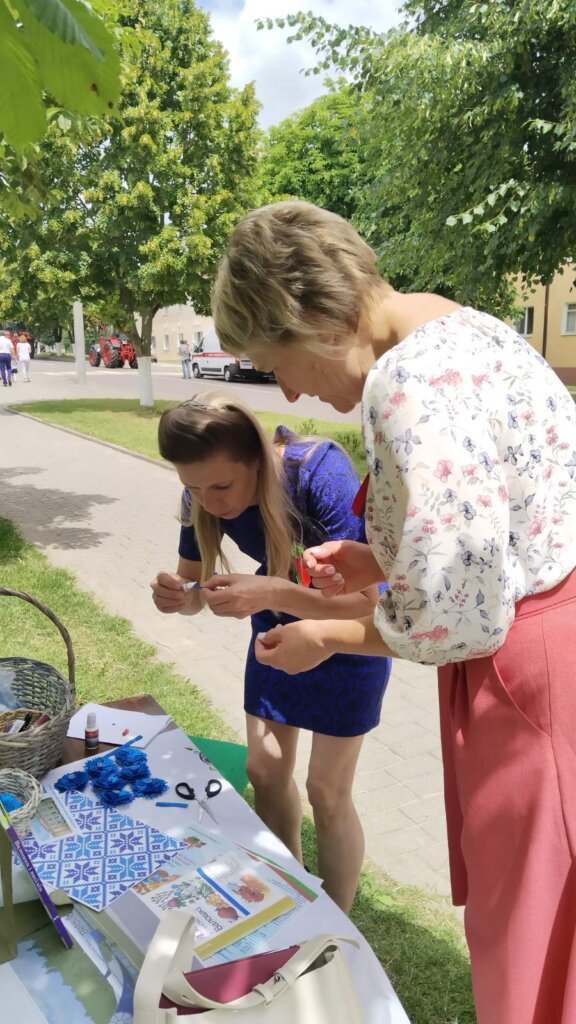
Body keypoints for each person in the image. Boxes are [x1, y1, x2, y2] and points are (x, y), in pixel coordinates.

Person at [211, 200, 576, 1024]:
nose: (290, 389)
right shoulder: (468, 329)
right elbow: (503, 515)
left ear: (313, 317)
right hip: (551, 648)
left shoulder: (404, 385)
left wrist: (326, 634)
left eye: (278, 363)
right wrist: (382, 559)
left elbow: (459, 617)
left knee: (532, 935)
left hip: (531, 683)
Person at [150, 394, 391, 912]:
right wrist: (177, 596)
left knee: (327, 791)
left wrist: (274, 592)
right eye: (193, 487)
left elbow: (366, 602)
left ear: (257, 460)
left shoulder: (318, 472)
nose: (209, 502)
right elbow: (192, 590)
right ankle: (292, 895)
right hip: (276, 630)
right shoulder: (201, 495)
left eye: (222, 487)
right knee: (264, 770)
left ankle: (335, 922)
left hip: (349, 638)